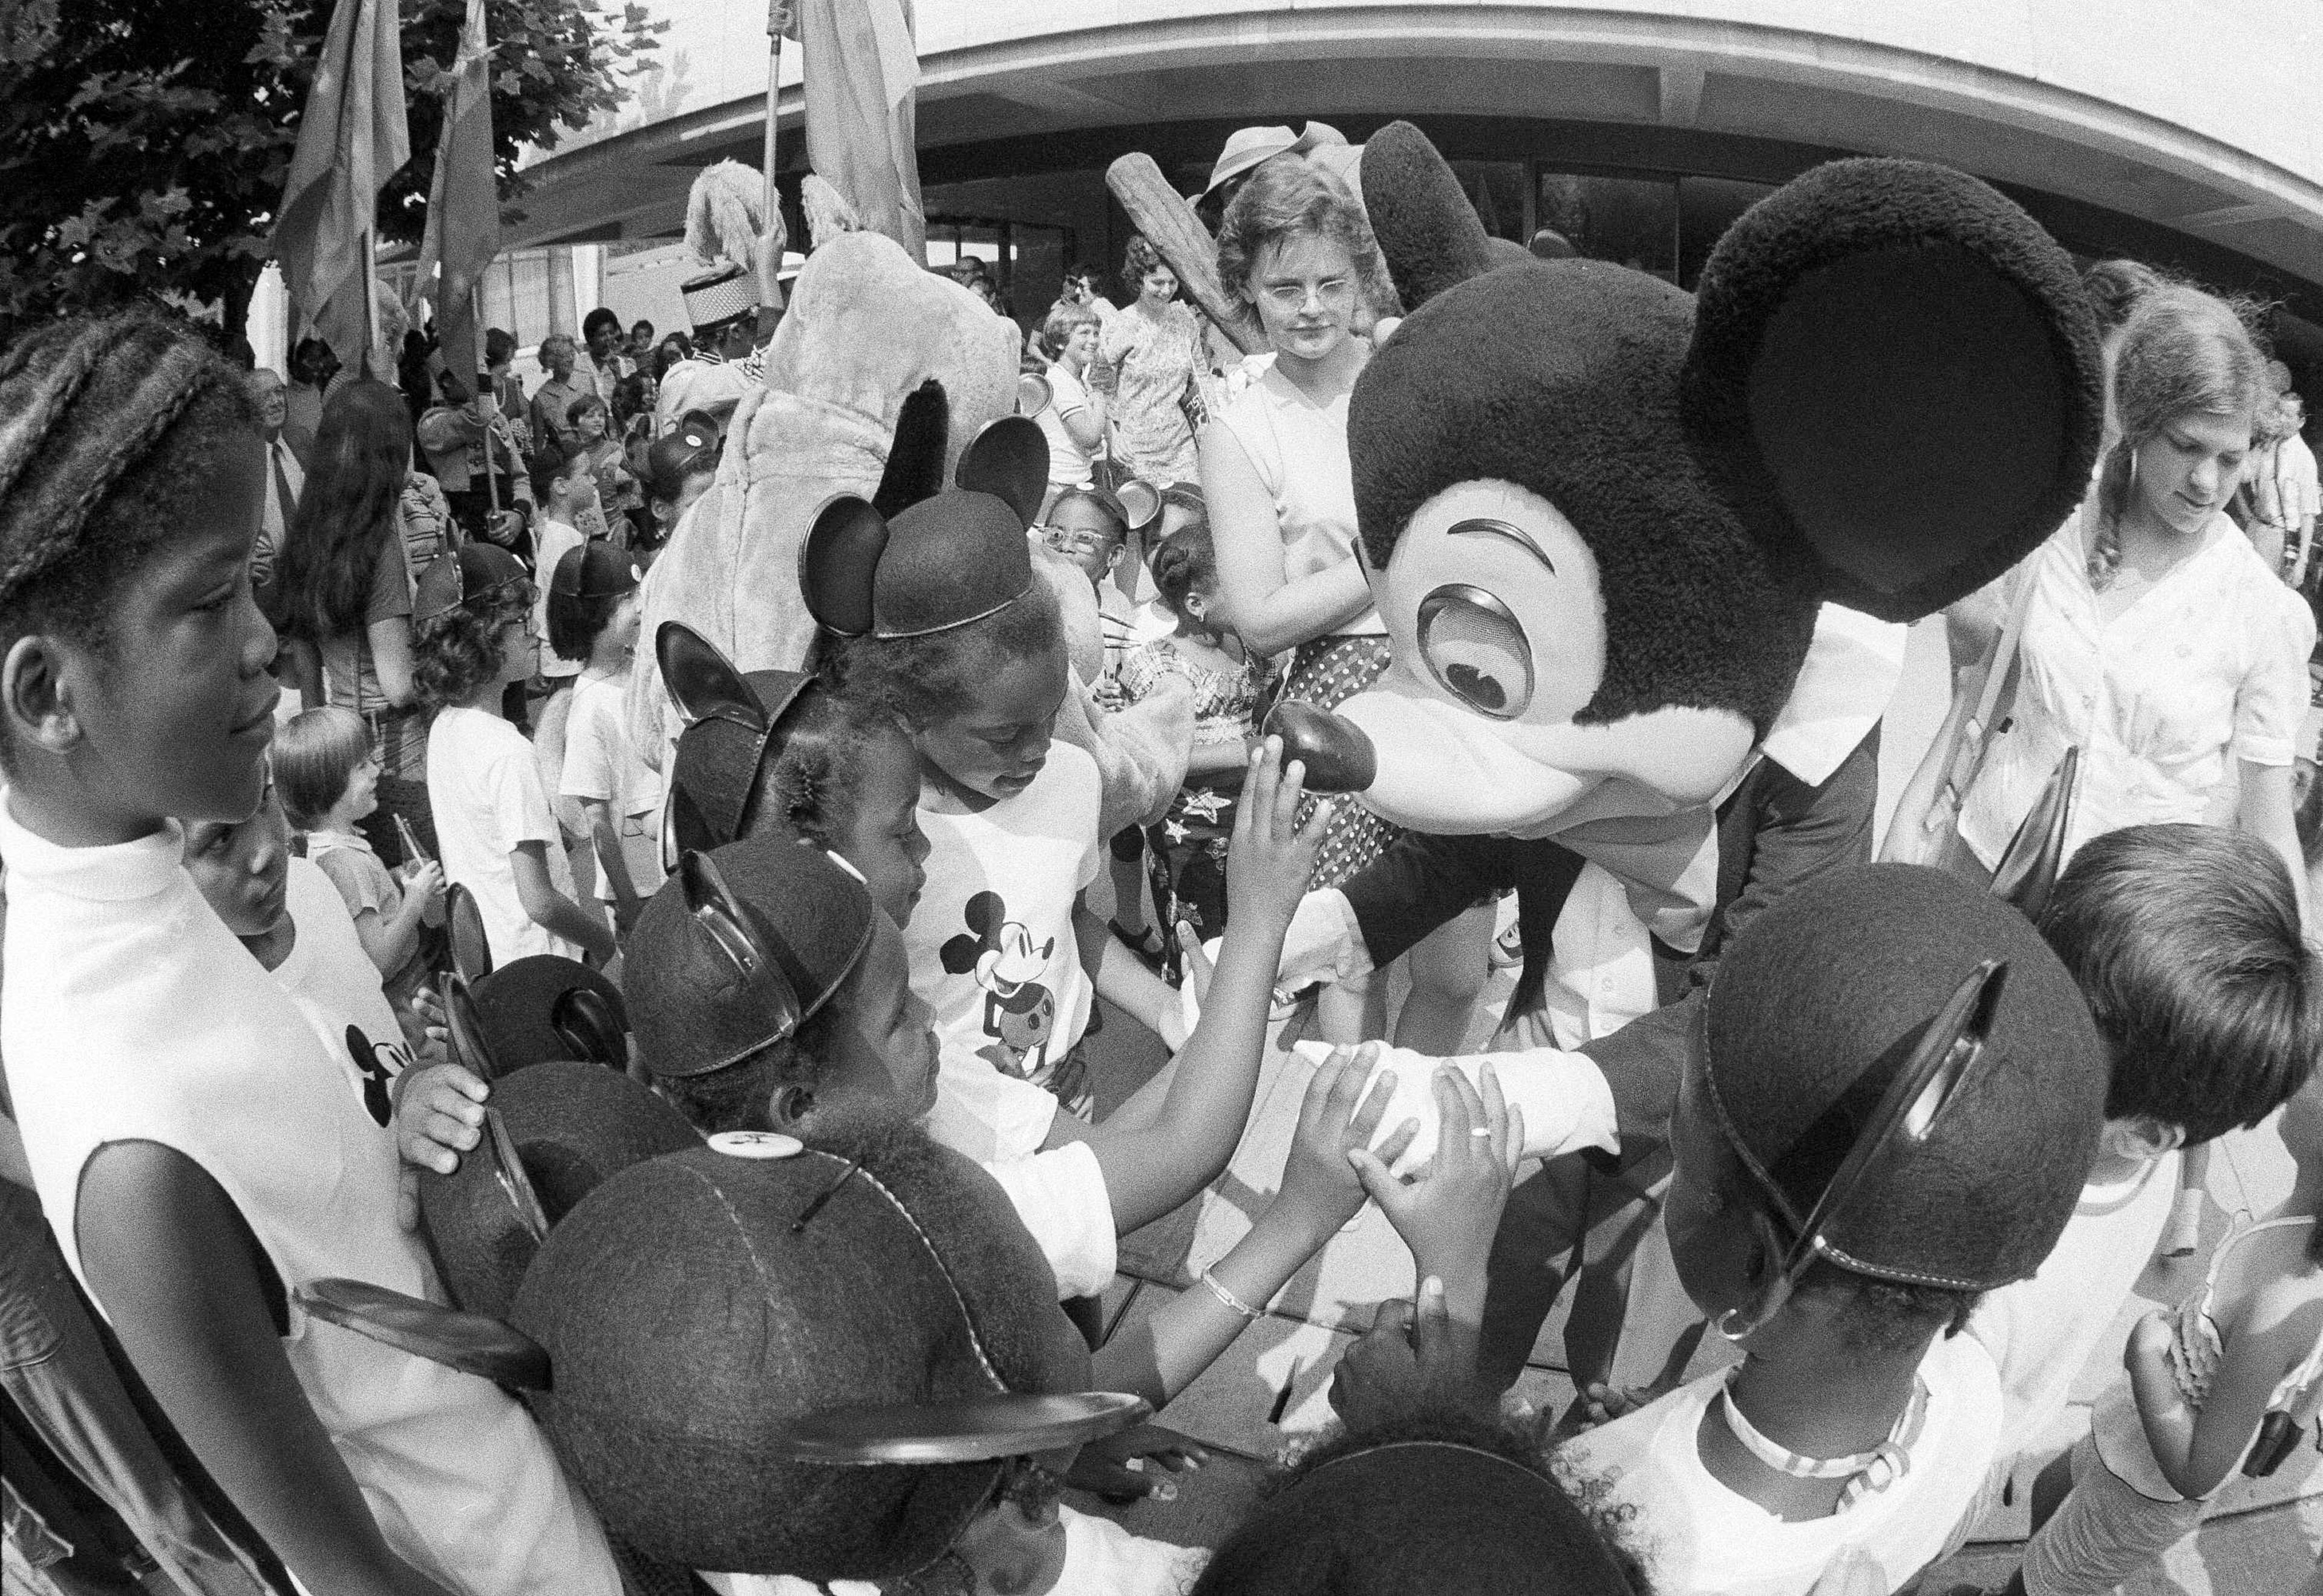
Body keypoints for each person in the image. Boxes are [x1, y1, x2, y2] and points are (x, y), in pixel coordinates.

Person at [0, 308, 619, 1595]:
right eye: (209, 599)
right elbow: (339, 1571)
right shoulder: (132, 1143)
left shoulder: (154, 882)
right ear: (50, 694)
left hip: (560, 1496)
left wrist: (397, 1146)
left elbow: (317, 1268)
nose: (265, 639)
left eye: (255, 582)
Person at [1558, 866, 2111, 1596]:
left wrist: (1427, 1394)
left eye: (1681, 1152)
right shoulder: (1973, 1400)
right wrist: (1671, 1412)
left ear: (1757, 1271)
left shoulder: (1590, 1524)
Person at [1887, 283, 2315, 924]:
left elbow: (2268, 820)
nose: (2207, 482)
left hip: (2127, 927)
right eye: (2187, 446)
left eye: (2230, 459)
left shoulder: (2266, 614)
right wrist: (1910, 819)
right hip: (1981, 863)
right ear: (2141, 425)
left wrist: (2298, 968)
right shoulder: (2054, 524)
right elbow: (1982, 695)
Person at [1204, 149, 1494, 1051]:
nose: (1312, 307)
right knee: (1351, 963)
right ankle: (1340, 1154)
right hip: (1340, 702)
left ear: (1360, 275)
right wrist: (1390, 556)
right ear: (1246, 287)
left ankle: (1408, 1132)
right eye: (1284, 287)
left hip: (1445, 675)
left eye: (1330, 282)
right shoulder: (1238, 420)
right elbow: (1256, 616)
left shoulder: (1409, 362)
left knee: (1457, 966)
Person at [1970, 822, 2320, 1488]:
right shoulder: (2135, 1160)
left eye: (2067, 1014)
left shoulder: (2008, 1249)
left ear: (2144, 1132)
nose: (2024, 1002)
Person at [837, 511, 1188, 1125]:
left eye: (1053, 716)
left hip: (1068, 1085)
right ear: (909, 711)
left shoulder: (1074, 779)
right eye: (1003, 735)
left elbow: (1070, 918)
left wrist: (1164, 1007)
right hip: (945, 1115)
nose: (1038, 751)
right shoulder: (877, 843)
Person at [2010, 1071, 2323, 1596]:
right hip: (2135, 1426)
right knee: (2048, 1491)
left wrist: (2143, 1356)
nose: (2308, 1072)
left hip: (2149, 1487)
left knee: (2046, 1585)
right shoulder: (2293, 1218)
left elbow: (2197, 1472)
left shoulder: (2280, 1304)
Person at [270, 378, 454, 866]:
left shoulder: (305, 535)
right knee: (427, 887)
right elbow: (398, 684)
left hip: (340, 747)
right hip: (397, 747)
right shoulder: (379, 546)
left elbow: (307, 675)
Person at [414, 543, 615, 969]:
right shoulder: (508, 753)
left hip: (492, 960)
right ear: (479, 639)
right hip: (543, 965)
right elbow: (539, 901)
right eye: (521, 621)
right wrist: (602, 942)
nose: (536, 633)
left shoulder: (444, 729)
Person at [1120, 517, 1270, 978]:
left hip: (1247, 815)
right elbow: (1155, 760)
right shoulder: (1158, 666)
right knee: (1197, 942)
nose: (1254, 593)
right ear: (1195, 603)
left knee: (1249, 935)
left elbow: (1259, 705)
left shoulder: (1246, 644)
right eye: (1239, 585)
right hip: (1189, 836)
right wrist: (1245, 751)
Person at [273, 705, 446, 1045]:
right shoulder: (345, 864)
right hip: (405, 1000)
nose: (376, 771)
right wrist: (416, 897)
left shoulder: (335, 850)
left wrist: (396, 879)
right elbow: (378, 960)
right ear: (330, 786)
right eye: (362, 766)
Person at [551, 543, 661, 935]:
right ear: (594, 615)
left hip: (671, 867)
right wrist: (630, 905)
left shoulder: (643, 667)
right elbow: (598, 821)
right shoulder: (589, 706)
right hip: (640, 889)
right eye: (628, 599)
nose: (641, 607)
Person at [1092, 236, 1207, 485]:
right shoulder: (1120, 325)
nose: (1166, 290)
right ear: (1138, 280)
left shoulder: (1186, 321)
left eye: (1172, 282)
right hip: (1136, 451)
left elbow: (1201, 377)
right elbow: (1098, 384)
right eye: (1157, 282)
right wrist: (1112, 434)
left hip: (1183, 449)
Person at [528, 443, 599, 685]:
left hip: (568, 656)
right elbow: (571, 603)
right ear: (561, 486)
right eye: (586, 475)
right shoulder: (561, 539)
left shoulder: (563, 532)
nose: (594, 481)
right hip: (568, 659)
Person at [1035, 303, 1106, 499]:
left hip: (1078, 481)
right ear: (1060, 342)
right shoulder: (1059, 381)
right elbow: (1091, 438)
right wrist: (1100, 403)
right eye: (1084, 333)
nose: (1093, 340)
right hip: (1060, 486)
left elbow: (1096, 448)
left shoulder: (1081, 383)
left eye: (1096, 333)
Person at [244, 367, 303, 597]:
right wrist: (243, 563)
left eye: (279, 392)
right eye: (265, 396)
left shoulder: (301, 444)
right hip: (265, 587)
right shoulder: (240, 460)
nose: (277, 401)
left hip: (307, 577)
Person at [528, 334, 589, 455]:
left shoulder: (586, 383)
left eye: (572, 353)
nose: (570, 359)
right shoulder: (541, 400)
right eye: (564, 356)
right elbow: (539, 443)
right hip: (565, 461)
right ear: (550, 363)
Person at [282, 335, 335, 460]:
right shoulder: (283, 400)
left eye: (320, 360)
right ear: (294, 365)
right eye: (312, 360)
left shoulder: (325, 393)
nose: (319, 365)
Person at [577, 307, 632, 398]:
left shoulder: (625, 365)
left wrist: (617, 374)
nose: (608, 338)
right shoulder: (579, 363)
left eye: (611, 333)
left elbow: (629, 401)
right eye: (602, 335)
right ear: (591, 338)